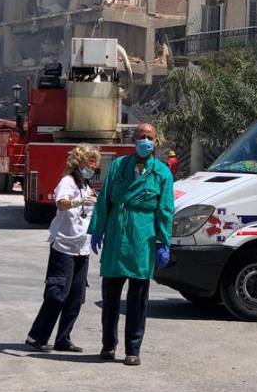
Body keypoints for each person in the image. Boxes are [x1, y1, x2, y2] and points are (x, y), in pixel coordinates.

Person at [88, 122, 174, 366]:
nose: (145, 140)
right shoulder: (118, 166)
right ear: (133, 139)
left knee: (138, 297)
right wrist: (97, 228)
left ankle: (133, 349)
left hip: (143, 235)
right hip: (118, 231)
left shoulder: (162, 172)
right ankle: (108, 345)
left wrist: (163, 241)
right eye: (140, 136)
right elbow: (104, 198)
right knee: (111, 295)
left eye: (149, 137)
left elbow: (166, 209)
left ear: (156, 142)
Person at [25, 145, 100, 352]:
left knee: (76, 296)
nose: (93, 166)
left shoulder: (86, 185)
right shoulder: (68, 182)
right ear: (79, 162)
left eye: (95, 162)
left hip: (81, 247)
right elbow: (61, 203)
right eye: (90, 161)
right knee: (57, 293)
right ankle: (37, 336)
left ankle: (63, 338)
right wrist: (80, 201)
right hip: (64, 246)